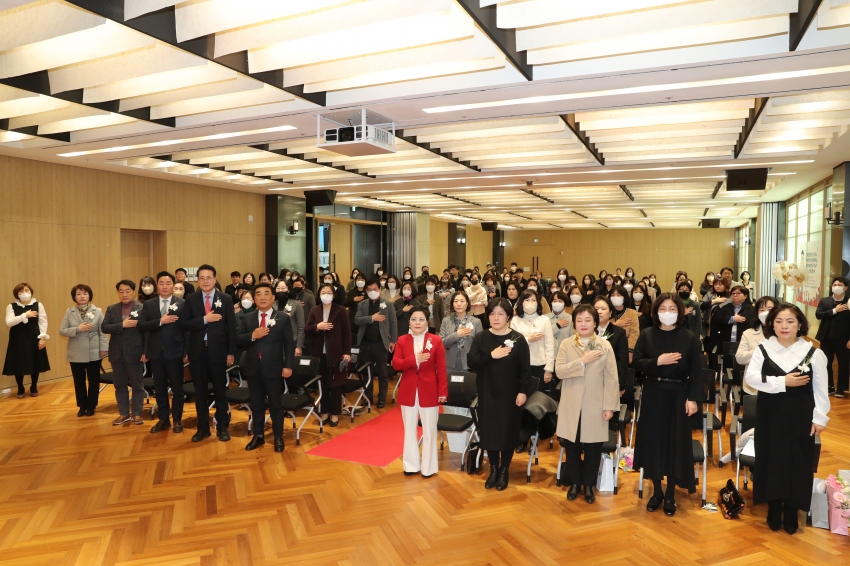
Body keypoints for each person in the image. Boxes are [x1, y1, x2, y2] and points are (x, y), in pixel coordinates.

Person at [744, 303, 830, 534]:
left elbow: (821, 389)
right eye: (779, 321)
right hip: (769, 416)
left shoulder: (814, 353)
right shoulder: (763, 349)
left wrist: (820, 417)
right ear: (771, 323)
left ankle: (792, 509)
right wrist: (782, 382)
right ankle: (773, 507)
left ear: (800, 324)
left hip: (801, 416)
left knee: (798, 461)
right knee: (770, 458)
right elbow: (751, 379)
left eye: (790, 321)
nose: (784, 326)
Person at [632, 293, 704, 517]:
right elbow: (636, 363)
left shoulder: (689, 337)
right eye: (664, 308)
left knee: (675, 442)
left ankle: (671, 493)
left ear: (680, 312)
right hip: (654, 392)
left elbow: (696, 372)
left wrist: (693, 398)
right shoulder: (646, 334)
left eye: (673, 309)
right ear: (656, 311)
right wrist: (657, 362)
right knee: (654, 440)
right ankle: (656, 492)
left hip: (679, 395)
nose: (668, 313)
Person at [555, 304, 619, 503]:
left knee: (593, 448)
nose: (583, 324)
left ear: (595, 322)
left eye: (588, 320)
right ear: (574, 323)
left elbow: (611, 379)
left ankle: (589, 485)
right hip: (571, 404)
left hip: (595, 404)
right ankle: (575, 483)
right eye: (579, 320)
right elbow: (560, 371)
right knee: (572, 447)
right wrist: (582, 361)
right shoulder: (566, 344)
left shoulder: (604, 345)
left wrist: (609, 406)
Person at [467, 298, 531, 491]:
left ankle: (504, 470)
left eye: (501, 313)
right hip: (487, 392)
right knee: (490, 432)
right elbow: (472, 361)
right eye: (492, 313)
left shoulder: (518, 339)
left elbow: (525, 370)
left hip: (511, 395)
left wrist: (522, 392)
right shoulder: (481, 337)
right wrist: (490, 356)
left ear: (508, 316)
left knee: (507, 431)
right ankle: (493, 469)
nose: (496, 317)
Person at [236, 283, 296, 453]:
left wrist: (288, 366)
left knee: (276, 404)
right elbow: (237, 339)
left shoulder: (282, 318)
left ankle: (278, 437)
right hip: (253, 368)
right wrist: (252, 336)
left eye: (266, 294)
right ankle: (258, 436)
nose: (262, 297)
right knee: (256, 404)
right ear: (254, 298)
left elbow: (289, 344)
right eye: (258, 294)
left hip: (274, 369)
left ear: (273, 297)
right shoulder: (248, 319)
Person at [180, 264, 237, 443]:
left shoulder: (225, 298)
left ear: (215, 279)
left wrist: (230, 352)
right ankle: (203, 428)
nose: (205, 281)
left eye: (209, 278)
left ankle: (222, 426)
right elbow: (184, 323)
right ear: (198, 280)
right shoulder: (191, 299)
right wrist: (205, 319)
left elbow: (231, 328)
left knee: (220, 391)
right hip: (198, 352)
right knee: (201, 392)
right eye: (202, 278)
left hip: (218, 352)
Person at [393, 306, 447, 478]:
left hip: (429, 389)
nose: (417, 323)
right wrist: (414, 359)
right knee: (409, 429)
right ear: (409, 321)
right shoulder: (402, 340)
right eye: (414, 319)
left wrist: (443, 391)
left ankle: (429, 467)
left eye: (421, 319)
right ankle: (411, 465)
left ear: (427, 321)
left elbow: (442, 368)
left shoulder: (436, 340)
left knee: (430, 430)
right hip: (409, 390)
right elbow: (396, 364)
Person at [137, 271, 188, 434]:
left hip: (175, 351)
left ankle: (177, 420)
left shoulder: (182, 303)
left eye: (168, 283)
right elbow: (141, 325)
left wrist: (186, 351)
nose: (164, 286)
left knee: (177, 389)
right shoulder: (149, 304)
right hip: (156, 353)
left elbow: (187, 330)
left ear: (173, 286)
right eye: (161, 283)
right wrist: (160, 321)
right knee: (159, 388)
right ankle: (163, 419)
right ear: (157, 285)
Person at [305, 283, 351, 427]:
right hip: (319, 353)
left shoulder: (341, 311)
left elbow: (347, 334)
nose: (326, 294)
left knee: (336, 384)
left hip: (336, 353)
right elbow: (307, 329)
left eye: (328, 292)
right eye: (323, 292)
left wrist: (347, 353)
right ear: (319, 295)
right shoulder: (314, 310)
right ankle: (324, 411)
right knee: (323, 384)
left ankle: (335, 413)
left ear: (333, 295)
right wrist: (317, 327)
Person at [101, 280, 146, 426]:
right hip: (116, 353)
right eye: (121, 291)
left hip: (135, 352)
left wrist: (146, 352)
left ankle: (137, 414)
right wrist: (122, 325)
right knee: (119, 385)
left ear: (133, 292)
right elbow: (105, 327)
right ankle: (124, 414)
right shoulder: (112, 308)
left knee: (137, 385)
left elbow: (147, 332)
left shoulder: (142, 308)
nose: (124, 294)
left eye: (127, 291)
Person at [59, 284, 107, 416]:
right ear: (74, 296)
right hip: (76, 352)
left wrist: (104, 348)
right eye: (79, 294)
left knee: (94, 380)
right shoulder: (70, 312)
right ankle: (82, 406)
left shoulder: (97, 311)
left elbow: (103, 331)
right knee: (79, 381)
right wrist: (77, 329)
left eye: (85, 294)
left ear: (89, 296)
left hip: (94, 351)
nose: (82, 296)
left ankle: (91, 406)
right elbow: (62, 331)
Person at [355, 279, 398, 408]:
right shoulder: (362, 305)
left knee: (382, 372)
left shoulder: (387, 304)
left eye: (375, 289)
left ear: (380, 289)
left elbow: (393, 323)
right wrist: (371, 318)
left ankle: (382, 397)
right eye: (370, 290)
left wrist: (393, 341)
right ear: (366, 291)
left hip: (381, 343)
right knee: (366, 372)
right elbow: (357, 320)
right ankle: (367, 397)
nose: (372, 292)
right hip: (365, 343)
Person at [3, 283, 50, 398]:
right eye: (21, 291)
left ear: (31, 291)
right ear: (17, 294)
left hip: (34, 336)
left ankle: (34, 386)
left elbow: (43, 322)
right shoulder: (11, 306)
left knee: (35, 361)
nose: (24, 293)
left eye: (26, 290)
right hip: (17, 338)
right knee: (18, 362)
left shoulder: (38, 305)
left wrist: (42, 338)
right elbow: (9, 322)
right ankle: (20, 387)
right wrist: (25, 315)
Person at [511, 289, 555, 397]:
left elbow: (549, 345)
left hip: (540, 365)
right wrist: (527, 339)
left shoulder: (544, 320)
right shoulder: (515, 320)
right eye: (527, 300)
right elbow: (512, 343)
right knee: (521, 397)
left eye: (533, 300)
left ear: (538, 303)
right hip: (520, 365)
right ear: (521, 302)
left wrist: (549, 369)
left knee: (538, 399)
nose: (530, 303)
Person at [815, 276, 850, 397]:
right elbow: (818, 314)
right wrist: (835, 310)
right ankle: (829, 386)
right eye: (834, 285)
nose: (836, 287)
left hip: (844, 339)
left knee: (844, 363)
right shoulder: (825, 301)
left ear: (845, 288)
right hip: (827, 338)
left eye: (839, 285)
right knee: (826, 362)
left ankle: (841, 388)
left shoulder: (849, 302)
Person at [736, 296, 777, 395]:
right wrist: (761, 349)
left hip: (779, 386)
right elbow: (740, 358)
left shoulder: (785, 334)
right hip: (754, 388)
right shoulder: (748, 333)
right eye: (762, 310)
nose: (766, 313)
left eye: (770, 309)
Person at [592, 296, 629, 396]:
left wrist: (620, 385)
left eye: (603, 309)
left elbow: (622, 362)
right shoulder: (586, 331)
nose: (599, 312)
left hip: (610, 381)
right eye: (596, 309)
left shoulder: (619, 333)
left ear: (610, 312)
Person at [440, 291, 483, 372]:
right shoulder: (446, 321)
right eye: (456, 301)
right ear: (452, 303)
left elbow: (480, 345)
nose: (459, 304)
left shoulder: (476, 322)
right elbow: (441, 343)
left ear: (467, 304)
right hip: (449, 363)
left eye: (462, 301)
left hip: (468, 363)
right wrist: (457, 335)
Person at [710, 285, 754, 351]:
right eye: (733, 293)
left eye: (738, 293)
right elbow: (716, 319)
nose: (735, 295)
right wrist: (733, 319)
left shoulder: (752, 309)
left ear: (745, 296)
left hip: (744, 342)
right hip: (726, 341)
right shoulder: (725, 307)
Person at [273, 280, 305, 357]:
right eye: (278, 288)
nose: (280, 290)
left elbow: (301, 326)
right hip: (274, 342)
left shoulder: (296, 304)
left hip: (291, 341)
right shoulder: (272, 304)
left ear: (289, 290)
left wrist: (299, 346)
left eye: (283, 288)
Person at [609, 285, 639, 363]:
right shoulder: (607, 313)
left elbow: (634, 334)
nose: (615, 297)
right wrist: (615, 325)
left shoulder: (632, 313)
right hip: (609, 348)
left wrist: (630, 351)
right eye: (613, 295)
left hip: (625, 350)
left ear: (624, 297)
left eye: (619, 295)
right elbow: (604, 334)